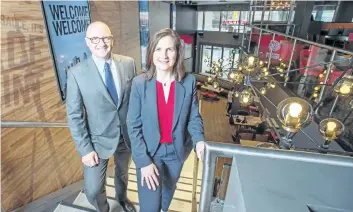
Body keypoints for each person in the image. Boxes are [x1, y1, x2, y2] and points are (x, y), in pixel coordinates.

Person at [127, 28, 205, 212]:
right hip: (149, 153)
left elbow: (193, 116)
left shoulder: (188, 82)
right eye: (158, 49)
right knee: (149, 206)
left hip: (176, 153)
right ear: (151, 52)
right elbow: (133, 126)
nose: (164, 55)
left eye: (169, 49)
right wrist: (143, 162)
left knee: (167, 196)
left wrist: (199, 139)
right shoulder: (140, 84)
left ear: (177, 53)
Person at [66, 21, 136, 212]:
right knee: (93, 189)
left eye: (105, 37)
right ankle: (103, 209)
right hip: (96, 141)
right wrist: (85, 149)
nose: (101, 43)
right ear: (88, 42)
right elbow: (74, 115)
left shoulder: (128, 63)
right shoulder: (75, 73)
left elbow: (134, 101)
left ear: (112, 39)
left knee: (123, 173)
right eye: (95, 39)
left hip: (126, 136)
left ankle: (122, 199)